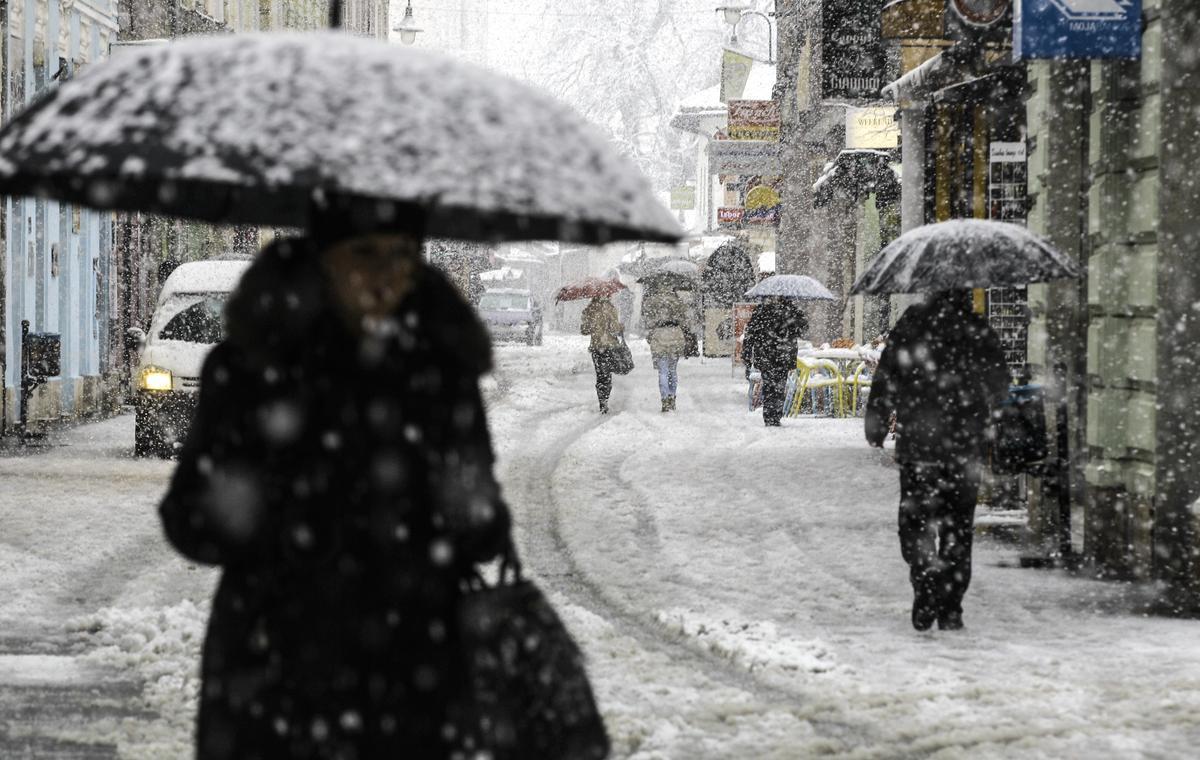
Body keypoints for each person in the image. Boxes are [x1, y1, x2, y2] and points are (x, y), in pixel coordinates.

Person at [158, 232, 514, 759]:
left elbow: (483, 529)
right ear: (322, 259)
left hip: (407, 671)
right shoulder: (250, 372)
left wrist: (461, 510)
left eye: (400, 256)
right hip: (277, 667)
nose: (383, 274)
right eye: (365, 253)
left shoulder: (440, 376)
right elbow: (189, 523)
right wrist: (245, 508)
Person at [865, 290, 1009, 632]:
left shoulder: (912, 325)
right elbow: (1000, 385)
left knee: (915, 522)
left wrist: (877, 422)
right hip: (965, 449)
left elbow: (887, 376)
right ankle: (951, 605)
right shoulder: (977, 328)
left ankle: (926, 580)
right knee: (958, 527)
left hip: (920, 447)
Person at [742, 296, 808, 426]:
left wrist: (747, 354)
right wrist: (747, 354)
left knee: (774, 386)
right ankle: (772, 416)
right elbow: (751, 333)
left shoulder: (765, 310)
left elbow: (750, 334)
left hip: (772, 354)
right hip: (776, 355)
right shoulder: (787, 310)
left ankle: (772, 416)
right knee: (774, 386)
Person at [641, 288, 688, 412]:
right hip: (675, 336)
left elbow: (648, 323)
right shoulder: (677, 302)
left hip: (659, 338)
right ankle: (672, 397)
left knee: (663, 372)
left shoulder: (653, 302)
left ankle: (664, 399)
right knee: (672, 371)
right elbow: (684, 321)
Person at [580, 294, 621, 413]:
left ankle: (602, 401)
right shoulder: (611, 308)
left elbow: (584, 330)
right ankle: (605, 399)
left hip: (596, 346)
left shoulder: (589, 309)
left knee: (600, 375)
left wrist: (593, 325)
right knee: (607, 374)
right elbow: (615, 328)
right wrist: (619, 327)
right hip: (609, 346)